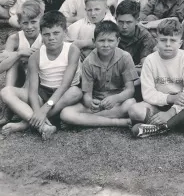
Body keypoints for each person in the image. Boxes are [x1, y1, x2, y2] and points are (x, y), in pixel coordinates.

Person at [0, 11, 82, 139]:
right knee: (6, 92)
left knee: (75, 92)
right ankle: (42, 125)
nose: (51, 38)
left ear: (65, 32)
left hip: (64, 94)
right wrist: (37, 109)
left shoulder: (72, 50)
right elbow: (33, 90)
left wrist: (44, 110)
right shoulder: (36, 56)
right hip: (43, 93)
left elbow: (65, 85)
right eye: (46, 34)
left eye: (56, 33)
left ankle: (26, 123)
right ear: (41, 34)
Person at [128, 18, 184, 137]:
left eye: (172, 40)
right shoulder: (150, 60)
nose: (167, 44)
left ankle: (162, 127)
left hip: (182, 106)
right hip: (159, 105)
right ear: (157, 40)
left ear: (180, 43)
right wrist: (170, 99)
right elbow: (147, 93)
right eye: (163, 40)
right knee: (134, 110)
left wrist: (171, 112)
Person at [59, 20, 137, 129]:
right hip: (97, 104)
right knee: (66, 113)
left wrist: (116, 98)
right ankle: (117, 122)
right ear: (94, 41)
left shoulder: (125, 57)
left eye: (110, 40)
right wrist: (91, 102)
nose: (106, 45)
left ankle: (86, 120)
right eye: (101, 41)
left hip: (117, 103)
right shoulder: (88, 62)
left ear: (118, 41)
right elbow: (87, 96)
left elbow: (130, 90)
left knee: (131, 103)